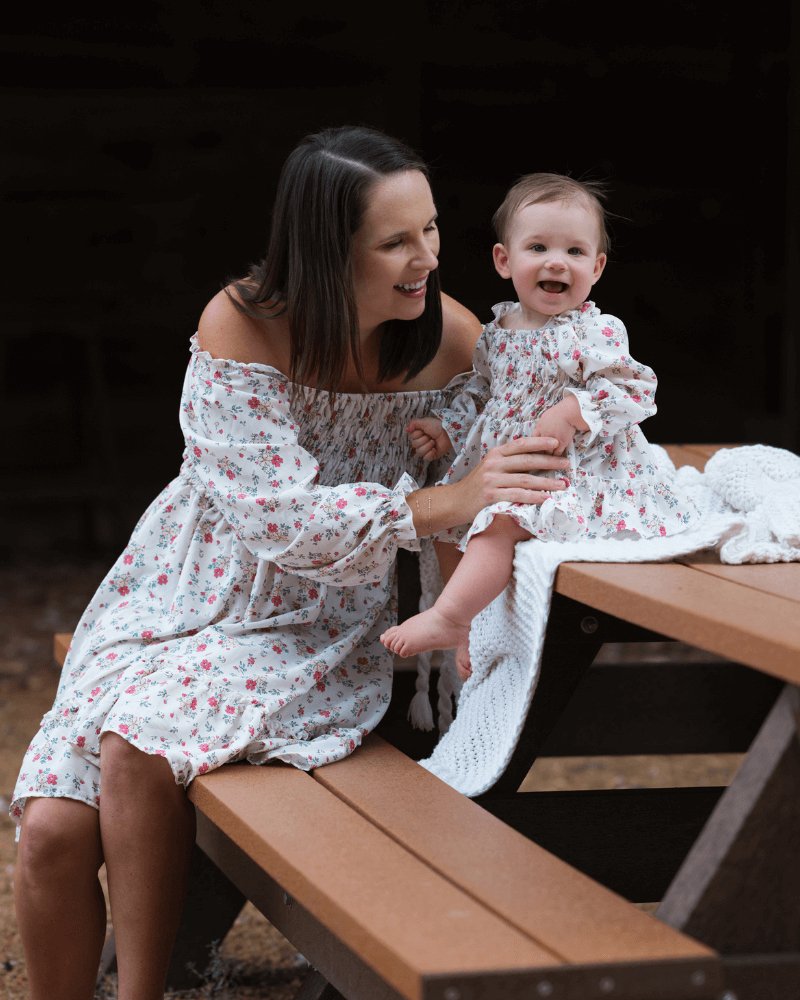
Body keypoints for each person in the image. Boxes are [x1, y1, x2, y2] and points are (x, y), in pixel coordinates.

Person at [9, 127, 570, 1000]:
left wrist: (483, 464)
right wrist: (442, 501)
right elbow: (274, 517)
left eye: (431, 228)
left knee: (133, 750)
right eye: (395, 242)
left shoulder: (455, 338)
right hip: (181, 594)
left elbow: (524, 442)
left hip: (313, 621)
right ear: (324, 251)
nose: (425, 258)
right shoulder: (239, 323)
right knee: (49, 831)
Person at [381, 172, 698, 678]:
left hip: (564, 468)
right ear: (505, 261)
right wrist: (447, 427)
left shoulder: (594, 331)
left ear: (596, 268)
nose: (557, 261)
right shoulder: (496, 332)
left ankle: (448, 616)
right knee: (449, 527)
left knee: (500, 523)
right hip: (504, 462)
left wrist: (573, 410)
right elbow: (480, 392)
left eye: (575, 252)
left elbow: (635, 390)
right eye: (538, 247)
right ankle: (471, 623)